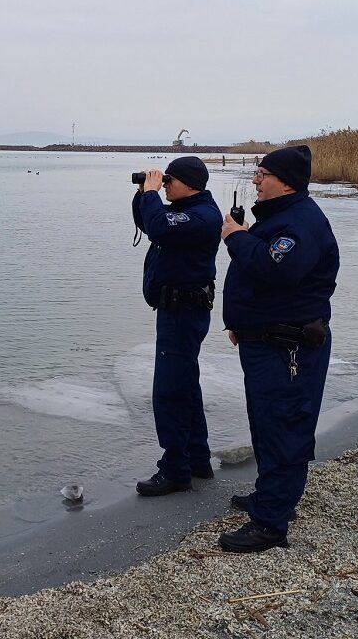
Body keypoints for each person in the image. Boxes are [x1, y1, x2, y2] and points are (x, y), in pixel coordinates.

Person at [218, 145, 340, 552]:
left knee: (284, 427)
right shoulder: (281, 219)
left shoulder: (301, 223)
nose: (255, 179)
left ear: (284, 180)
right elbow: (263, 278)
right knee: (267, 425)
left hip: (289, 349)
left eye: (261, 173)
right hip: (266, 341)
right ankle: (270, 497)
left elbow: (277, 269)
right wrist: (242, 324)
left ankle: (270, 524)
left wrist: (236, 237)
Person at [131, 156, 222, 496]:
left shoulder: (200, 215)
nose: (165, 184)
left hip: (183, 311)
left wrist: (153, 194)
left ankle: (175, 470)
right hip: (179, 309)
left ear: (189, 183)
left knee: (170, 390)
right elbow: (147, 222)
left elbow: (158, 227)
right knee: (186, 386)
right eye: (162, 181)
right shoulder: (189, 209)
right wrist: (144, 192)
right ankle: (198, 459)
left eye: (169, 180)